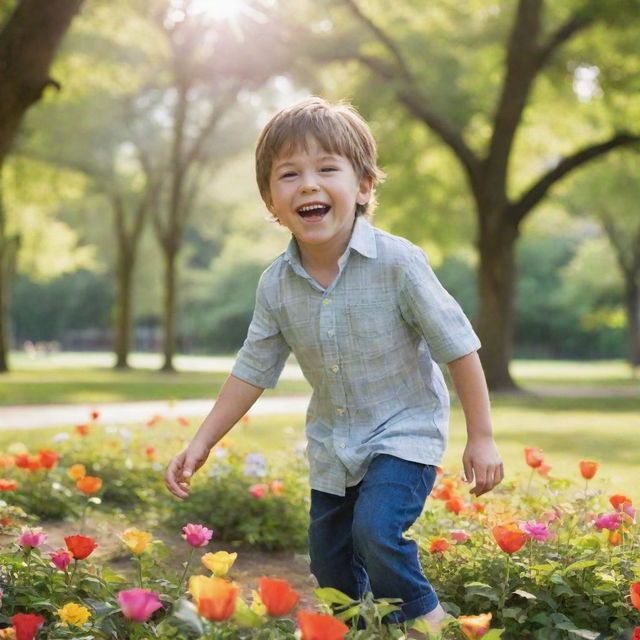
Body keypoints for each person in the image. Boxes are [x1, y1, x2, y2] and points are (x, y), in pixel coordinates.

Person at [165, 96, 504, 635]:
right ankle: (364, 631)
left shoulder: (399, 264)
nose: (308, 185)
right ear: (270, 201)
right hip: (334, 445)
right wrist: (202, 440)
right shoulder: (275, 284)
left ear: (364, 187)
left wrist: (481, 436)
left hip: (404, 432)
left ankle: (435, 625)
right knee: (330, 570)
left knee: (376, 531)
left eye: (327, 169)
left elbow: (458, 346)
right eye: (289, 174)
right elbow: (253, 367)